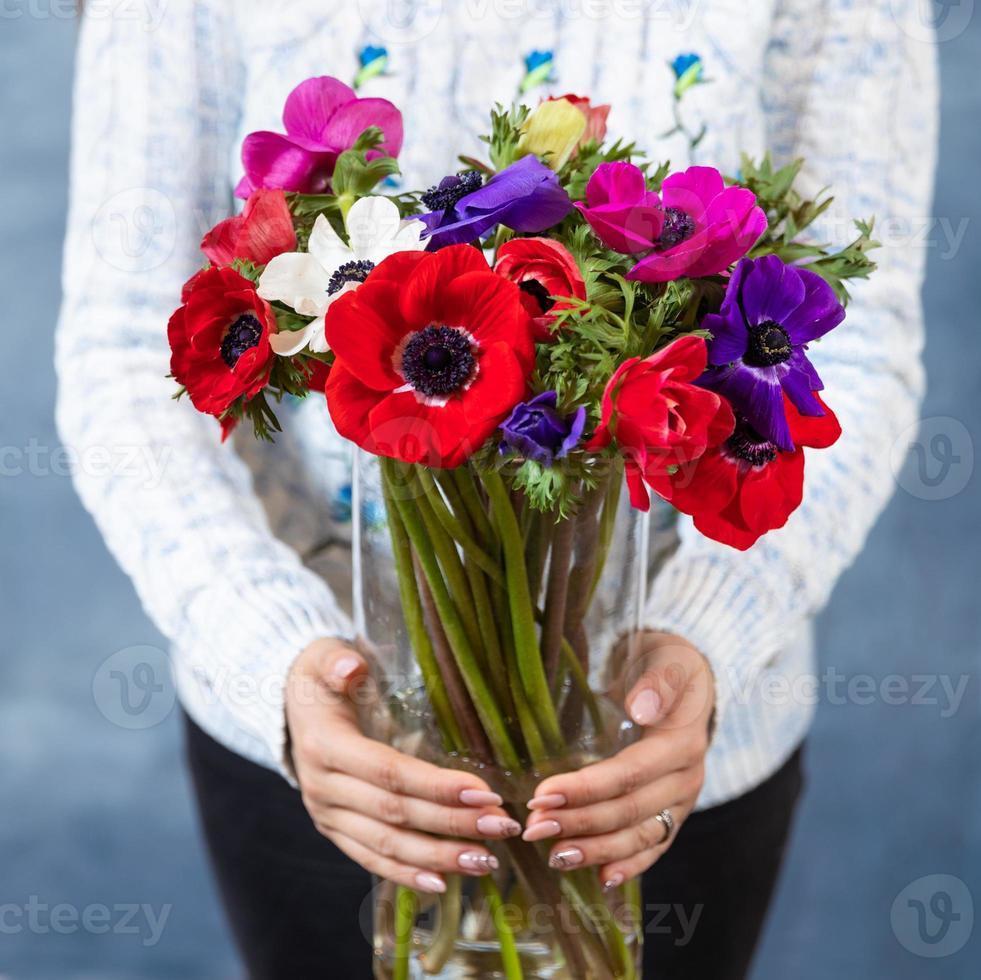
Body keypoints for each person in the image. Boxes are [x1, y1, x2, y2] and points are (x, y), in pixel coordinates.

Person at [56, 2, 937, 977]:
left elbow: (855, 353)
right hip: (326, 755)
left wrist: (709, 635)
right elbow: (125, 354)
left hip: (663, 762)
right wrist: (270, 649)